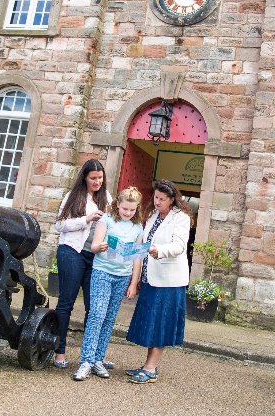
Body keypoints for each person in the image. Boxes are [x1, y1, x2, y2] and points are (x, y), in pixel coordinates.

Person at [72, 187, 143, 381]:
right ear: (117, 204)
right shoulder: (106, 221)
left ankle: (98, 359)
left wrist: (133, 283)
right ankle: (86, 361)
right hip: (102, 272)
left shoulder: (138, 228)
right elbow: (94, 245)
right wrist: (101, 246)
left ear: (137, 209)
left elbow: (137, 258)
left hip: (122, 276)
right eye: (124, 209)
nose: (128, 213)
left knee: (109, 318)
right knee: (96, 314)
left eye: (132, 210)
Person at [125, 179, 192, 384]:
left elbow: (179, 246)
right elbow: (145, 243)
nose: (157, 202)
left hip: (169, 282)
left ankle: (151, 369)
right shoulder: (153, 215)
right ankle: (147, 365)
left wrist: (158, 251)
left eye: (162, 199)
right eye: (155, 197)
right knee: (151, 324)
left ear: (172, 200)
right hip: (150, 278)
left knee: (161, 325)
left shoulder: (182, 218)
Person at [53, 159, 112, 369]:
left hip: (95, 257)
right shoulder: (73, 196)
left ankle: (90, 356)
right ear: (85, 178)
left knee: (93, 307)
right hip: (72, 252)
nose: (97, 182)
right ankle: (59, 352)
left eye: (100, 178)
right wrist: (85, 219)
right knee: (66, 302)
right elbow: (59, 225)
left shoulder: (107, 199)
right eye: (93, 178)